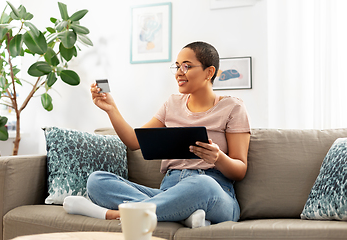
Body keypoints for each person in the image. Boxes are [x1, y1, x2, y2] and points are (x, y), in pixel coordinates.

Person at [63, 41, 251, 228]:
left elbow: (240, 169)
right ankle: (178, 213)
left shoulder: (233, 107)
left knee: (203, 184)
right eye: (177, 67)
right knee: (97, 181)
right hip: (168, 191)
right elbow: (135, 142)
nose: (179, 72)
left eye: (186, 66)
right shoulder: (172, 104)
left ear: (209, 72)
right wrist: (111, 109)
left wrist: (218, 158)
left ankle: (116, 215)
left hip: (214, 192)